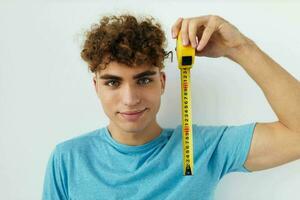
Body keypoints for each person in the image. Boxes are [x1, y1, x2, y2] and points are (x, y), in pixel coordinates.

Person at [42, 14, 300, 200]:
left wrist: (240, 48)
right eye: (113, 82)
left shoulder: (204, 148)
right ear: (96, 87)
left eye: (143, 80)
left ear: (162, 82)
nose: (130, 98)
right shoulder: (68, 159)